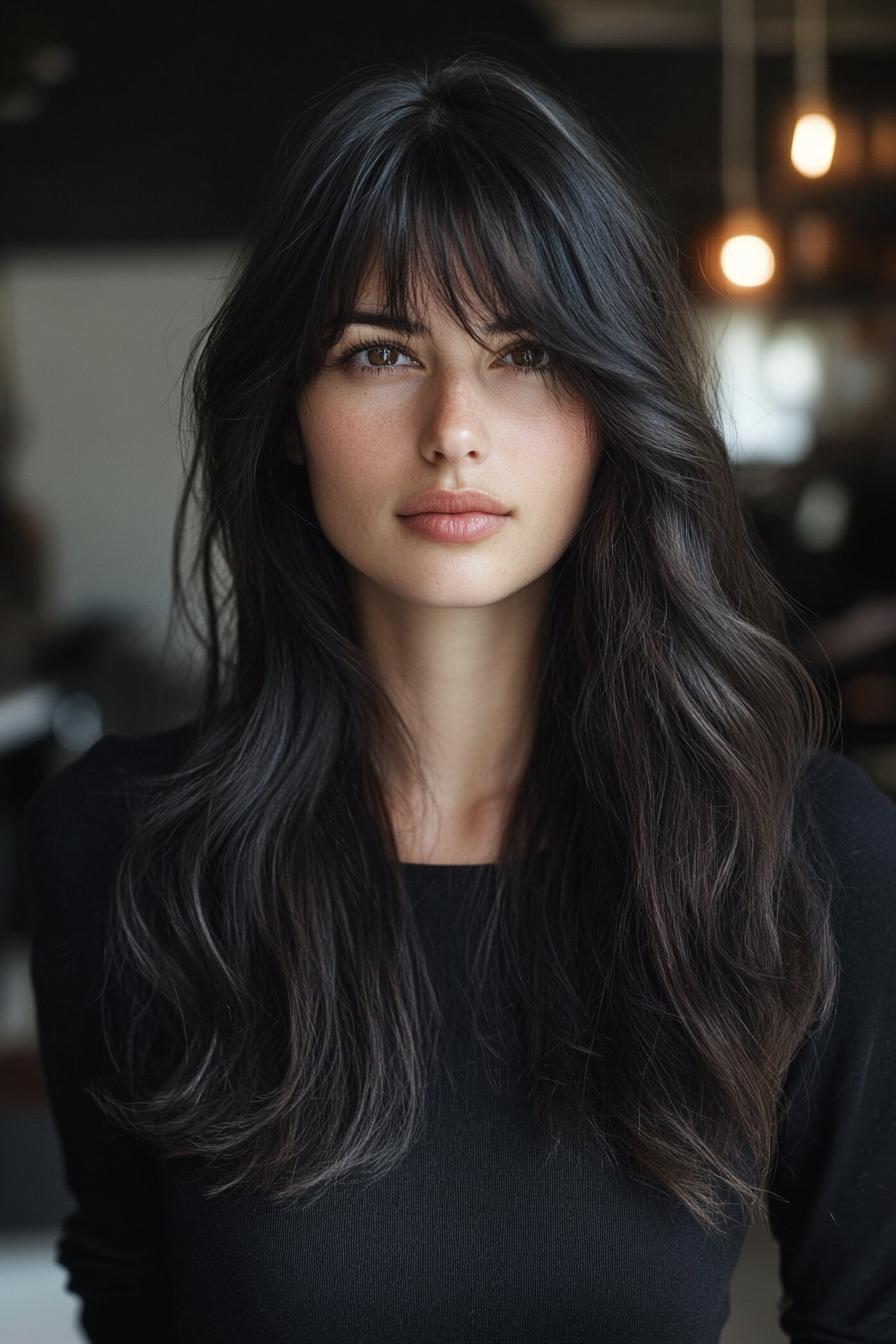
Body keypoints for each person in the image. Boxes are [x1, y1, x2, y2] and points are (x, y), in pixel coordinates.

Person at [24, 53, 896, 1344]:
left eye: (527, 352)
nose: (455, 428)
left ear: (614, 404)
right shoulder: (123, 853)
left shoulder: (801, 855)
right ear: (287, 416)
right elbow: (133, 1306)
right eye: (380, 352)